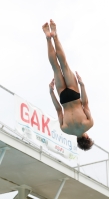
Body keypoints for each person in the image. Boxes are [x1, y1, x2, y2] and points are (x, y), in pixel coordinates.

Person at [42, 19, 94, 150]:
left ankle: (55, 35)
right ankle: (48, 38)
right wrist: (51, 92)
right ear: (79, 141)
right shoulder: (65, 129)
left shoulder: (88, 124)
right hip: (63, 98)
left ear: (86, 137)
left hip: (75, 95)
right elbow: (58, 109)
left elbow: (85, 103)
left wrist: (82, 85)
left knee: (63, 64)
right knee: (55, 67)